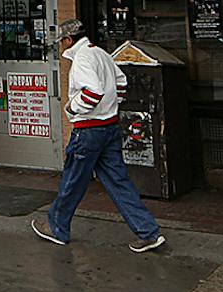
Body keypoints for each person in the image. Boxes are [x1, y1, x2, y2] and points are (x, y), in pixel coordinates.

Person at [32, 17, 166, 253]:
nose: (61, 46)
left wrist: (73, 108)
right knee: (118, 181)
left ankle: (57, 227)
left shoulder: (82, 59)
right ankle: (148, 232)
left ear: (68, 39)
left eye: (61, 41)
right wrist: (111, 105)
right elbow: (121, 81)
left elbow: (92, 90)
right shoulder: (101, 54)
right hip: (110, 127)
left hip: (88, 130)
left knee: (73, 181)